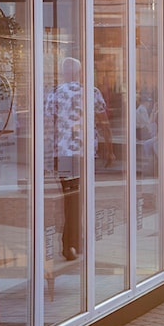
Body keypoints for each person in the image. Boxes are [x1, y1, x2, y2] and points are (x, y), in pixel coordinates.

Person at [44, 57, 114, 260]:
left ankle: (76, 241)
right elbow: (104, 123)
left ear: (64, 73)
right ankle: (69, 245)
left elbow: (48, 125)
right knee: (77, 199)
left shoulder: (55, 93)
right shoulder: (91, 92)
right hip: (84, 155)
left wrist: (46, 155)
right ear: (79, 73)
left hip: (62, 154)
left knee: (70, 199)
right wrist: (109, 149)